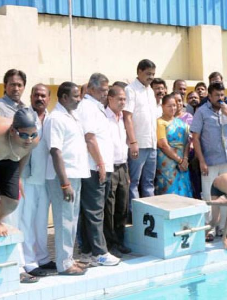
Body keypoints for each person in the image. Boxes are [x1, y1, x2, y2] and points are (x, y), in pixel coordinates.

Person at [43, 82, 89, 275]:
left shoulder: (71, 116)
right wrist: (64, 183)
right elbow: (55, 151)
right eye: (76, 96)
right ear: (63, 97)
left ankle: (68, 258)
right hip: (63, 178)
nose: (79, 99)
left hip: (75, 176)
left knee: (72, 220)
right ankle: (63, 264)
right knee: (64, 221)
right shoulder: (55, 119)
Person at [76, 73, 119, 267]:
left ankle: (87, 251)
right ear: (91, 89)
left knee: (90, 211)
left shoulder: (96, 107)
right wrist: (100, 164)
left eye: (106, 90)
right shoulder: (87, 107)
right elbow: (90, 138)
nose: (105, 93)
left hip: (100, 166)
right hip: (94, 167)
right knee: (95, 211)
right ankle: (99, 252)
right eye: (102, 90)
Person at [190, 82, 227, 238]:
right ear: (209, 96)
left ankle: (222, 227)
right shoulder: (201, 112)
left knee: (226, 195)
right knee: (209, 195)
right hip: (209, 161)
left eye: (222, 95)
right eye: (217, 96)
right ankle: (210, 228)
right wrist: (201, 161)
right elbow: (196, 138)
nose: (220, 98)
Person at [19, 84, 57, 277]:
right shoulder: (24, 117)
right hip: (28, 177)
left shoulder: (52, 119)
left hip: (47, 178)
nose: (39, 98)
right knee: (26, 220)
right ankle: (29, 261)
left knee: (42, 221)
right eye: (36, 95)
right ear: (31, 96)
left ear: (49, 98)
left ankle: (42, 257)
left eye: (43, 96)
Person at [0, 108, 38, 237]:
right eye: (23, 135)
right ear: (12, 131)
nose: (28, 140)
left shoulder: (34, 141)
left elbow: (24, 155)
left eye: (33, 134)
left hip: (9, 161)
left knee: (12, 202)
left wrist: (19, 178)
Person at [124, 59, 158, 206]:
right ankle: (134, 216)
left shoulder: (150, 91)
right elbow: (127, 117)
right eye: (148, 74)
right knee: (134, 181)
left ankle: (150, 213)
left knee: (149, 182)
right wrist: (133, 142)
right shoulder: (130, 90)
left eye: (153, 74)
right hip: (138, 143)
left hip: (152, 144)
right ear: (139, 72)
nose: (151, 77)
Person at [104, 85, 132, 257]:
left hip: (122, 166)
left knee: (122, 206)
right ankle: (109, 243)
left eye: (124, 99)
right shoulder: (103, 117)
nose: (123, 102)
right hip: (109, 167)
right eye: (120, 99)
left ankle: (120, 241)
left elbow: (123, 146)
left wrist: (127, 171)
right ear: (110, 99)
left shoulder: (122, 118)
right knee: (109, 207)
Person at [156, 93, 192, 197]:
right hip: (167, 161)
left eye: (174, 105)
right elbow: (163, 145)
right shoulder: (160, 122)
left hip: (183, 162)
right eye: (169, 106)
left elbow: (186, 142)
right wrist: (179, 160)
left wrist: (185, 159)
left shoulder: (181, 124)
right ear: (162, 106)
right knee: (168, 191)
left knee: (184, 188)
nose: (172, 108)